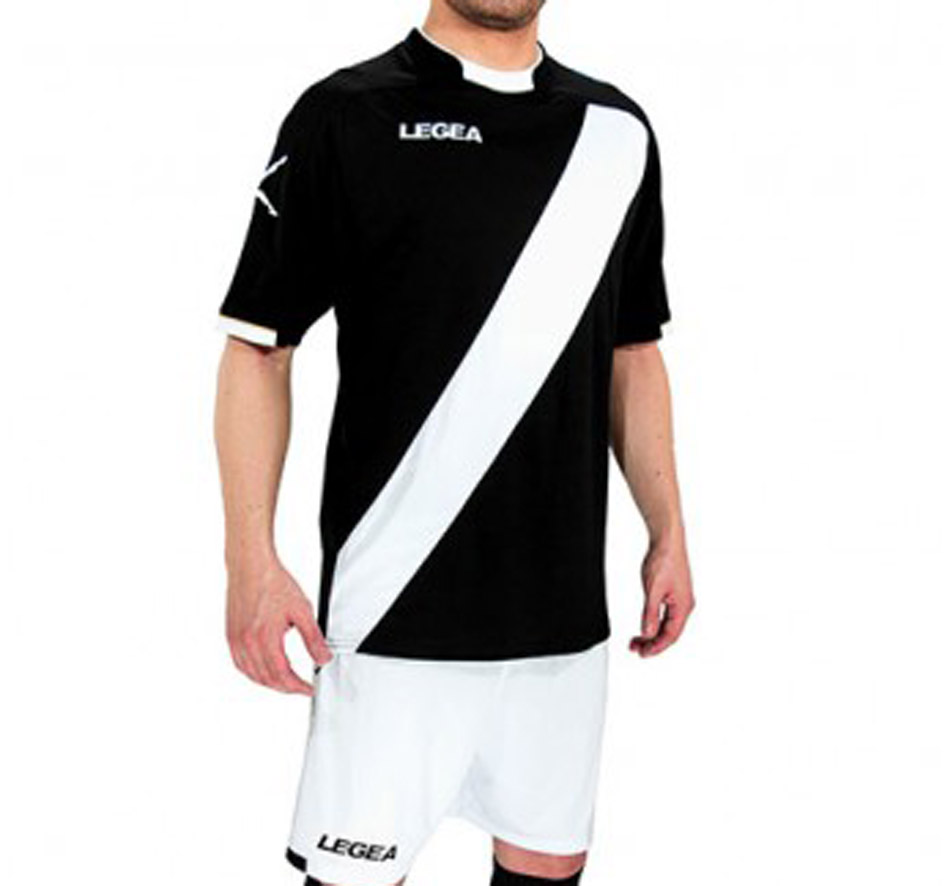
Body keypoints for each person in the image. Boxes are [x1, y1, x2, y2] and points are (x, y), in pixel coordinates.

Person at [213, 1, 695, 884]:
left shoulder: (616, 130)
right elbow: (259, 348)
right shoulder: (345, 114)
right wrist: (251, 561)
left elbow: (632, 349)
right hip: (390, 613)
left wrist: (667, 531)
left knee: (547, 867)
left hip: (560, 624)